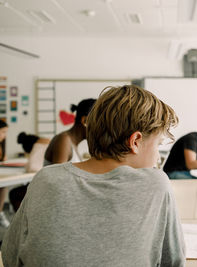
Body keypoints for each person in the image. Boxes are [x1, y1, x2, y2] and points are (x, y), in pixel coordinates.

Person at [2, 85, 185, 266]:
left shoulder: (45, 179)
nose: (156, 158)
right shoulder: (156, 184)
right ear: (135, 141)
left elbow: (10, 255)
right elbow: (174, 262)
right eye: (158, 145)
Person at [44, 98, 96, 166]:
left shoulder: (72, 144)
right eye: (99, 124)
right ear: (84, 121)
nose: (100, 129)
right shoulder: (64, 140)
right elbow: (58, 176)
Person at [7, 133, 50, 212]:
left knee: (14, 193)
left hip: (44, 187)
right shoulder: (47, 142)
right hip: (46, 183)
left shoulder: (39, 145)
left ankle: (23, 221)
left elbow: (32, 168)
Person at [0, 120, 9, 227]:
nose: (5, 135)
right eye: (3, 132)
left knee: (3, 186)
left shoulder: (2, 145)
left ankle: (0, 213)